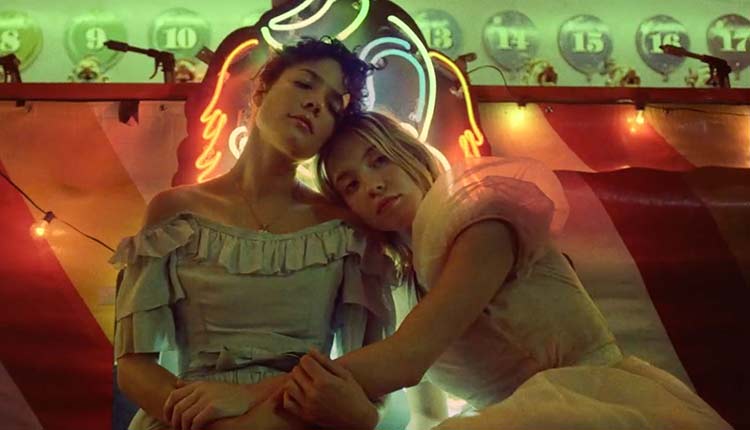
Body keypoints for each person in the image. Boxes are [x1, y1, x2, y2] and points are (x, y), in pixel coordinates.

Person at [272, 110, 733, 430]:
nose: (372, 184)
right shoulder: (404, 286)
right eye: (351, 184)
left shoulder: (482, 218)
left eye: (379, 160)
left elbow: (408, 358)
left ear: (409, 155)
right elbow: (422, 411)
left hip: (595, 401)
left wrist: (261, 392)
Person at [111, 39, 394, 430]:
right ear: (261, 91)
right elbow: (133, 365)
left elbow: (371, 380)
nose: (315, 104)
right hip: (190, 419)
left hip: (297, 418)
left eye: (333, 106)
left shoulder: (346, 231)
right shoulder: (174, 212)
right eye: (305, 84)